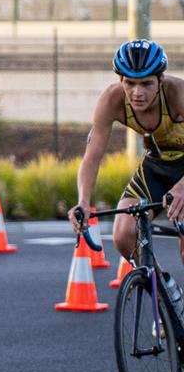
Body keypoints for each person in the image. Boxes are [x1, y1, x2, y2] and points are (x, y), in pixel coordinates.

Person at [69, 39, 184, 262]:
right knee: (123, 234)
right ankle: (160, 286)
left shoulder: (178, 94)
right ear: (121, 80)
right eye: (130, 83)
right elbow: (92, 158)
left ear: (160, 80)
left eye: (146, 84)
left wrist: (181, 188)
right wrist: (83, 201)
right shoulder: (112, 100)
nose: (137, 92)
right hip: (157, 165)